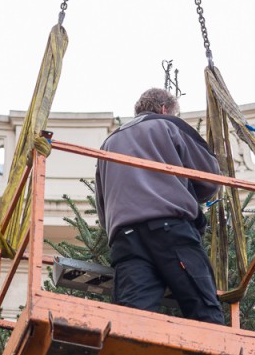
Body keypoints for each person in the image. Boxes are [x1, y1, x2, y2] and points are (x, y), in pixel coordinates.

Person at [94, 87, 224, 324]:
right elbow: (210, 178)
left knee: (132, 322)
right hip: (170, 231)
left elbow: (102, 204)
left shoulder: (108, 143)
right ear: (165, 109)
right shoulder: (168, 124)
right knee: (205, 312)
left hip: (126, 240)